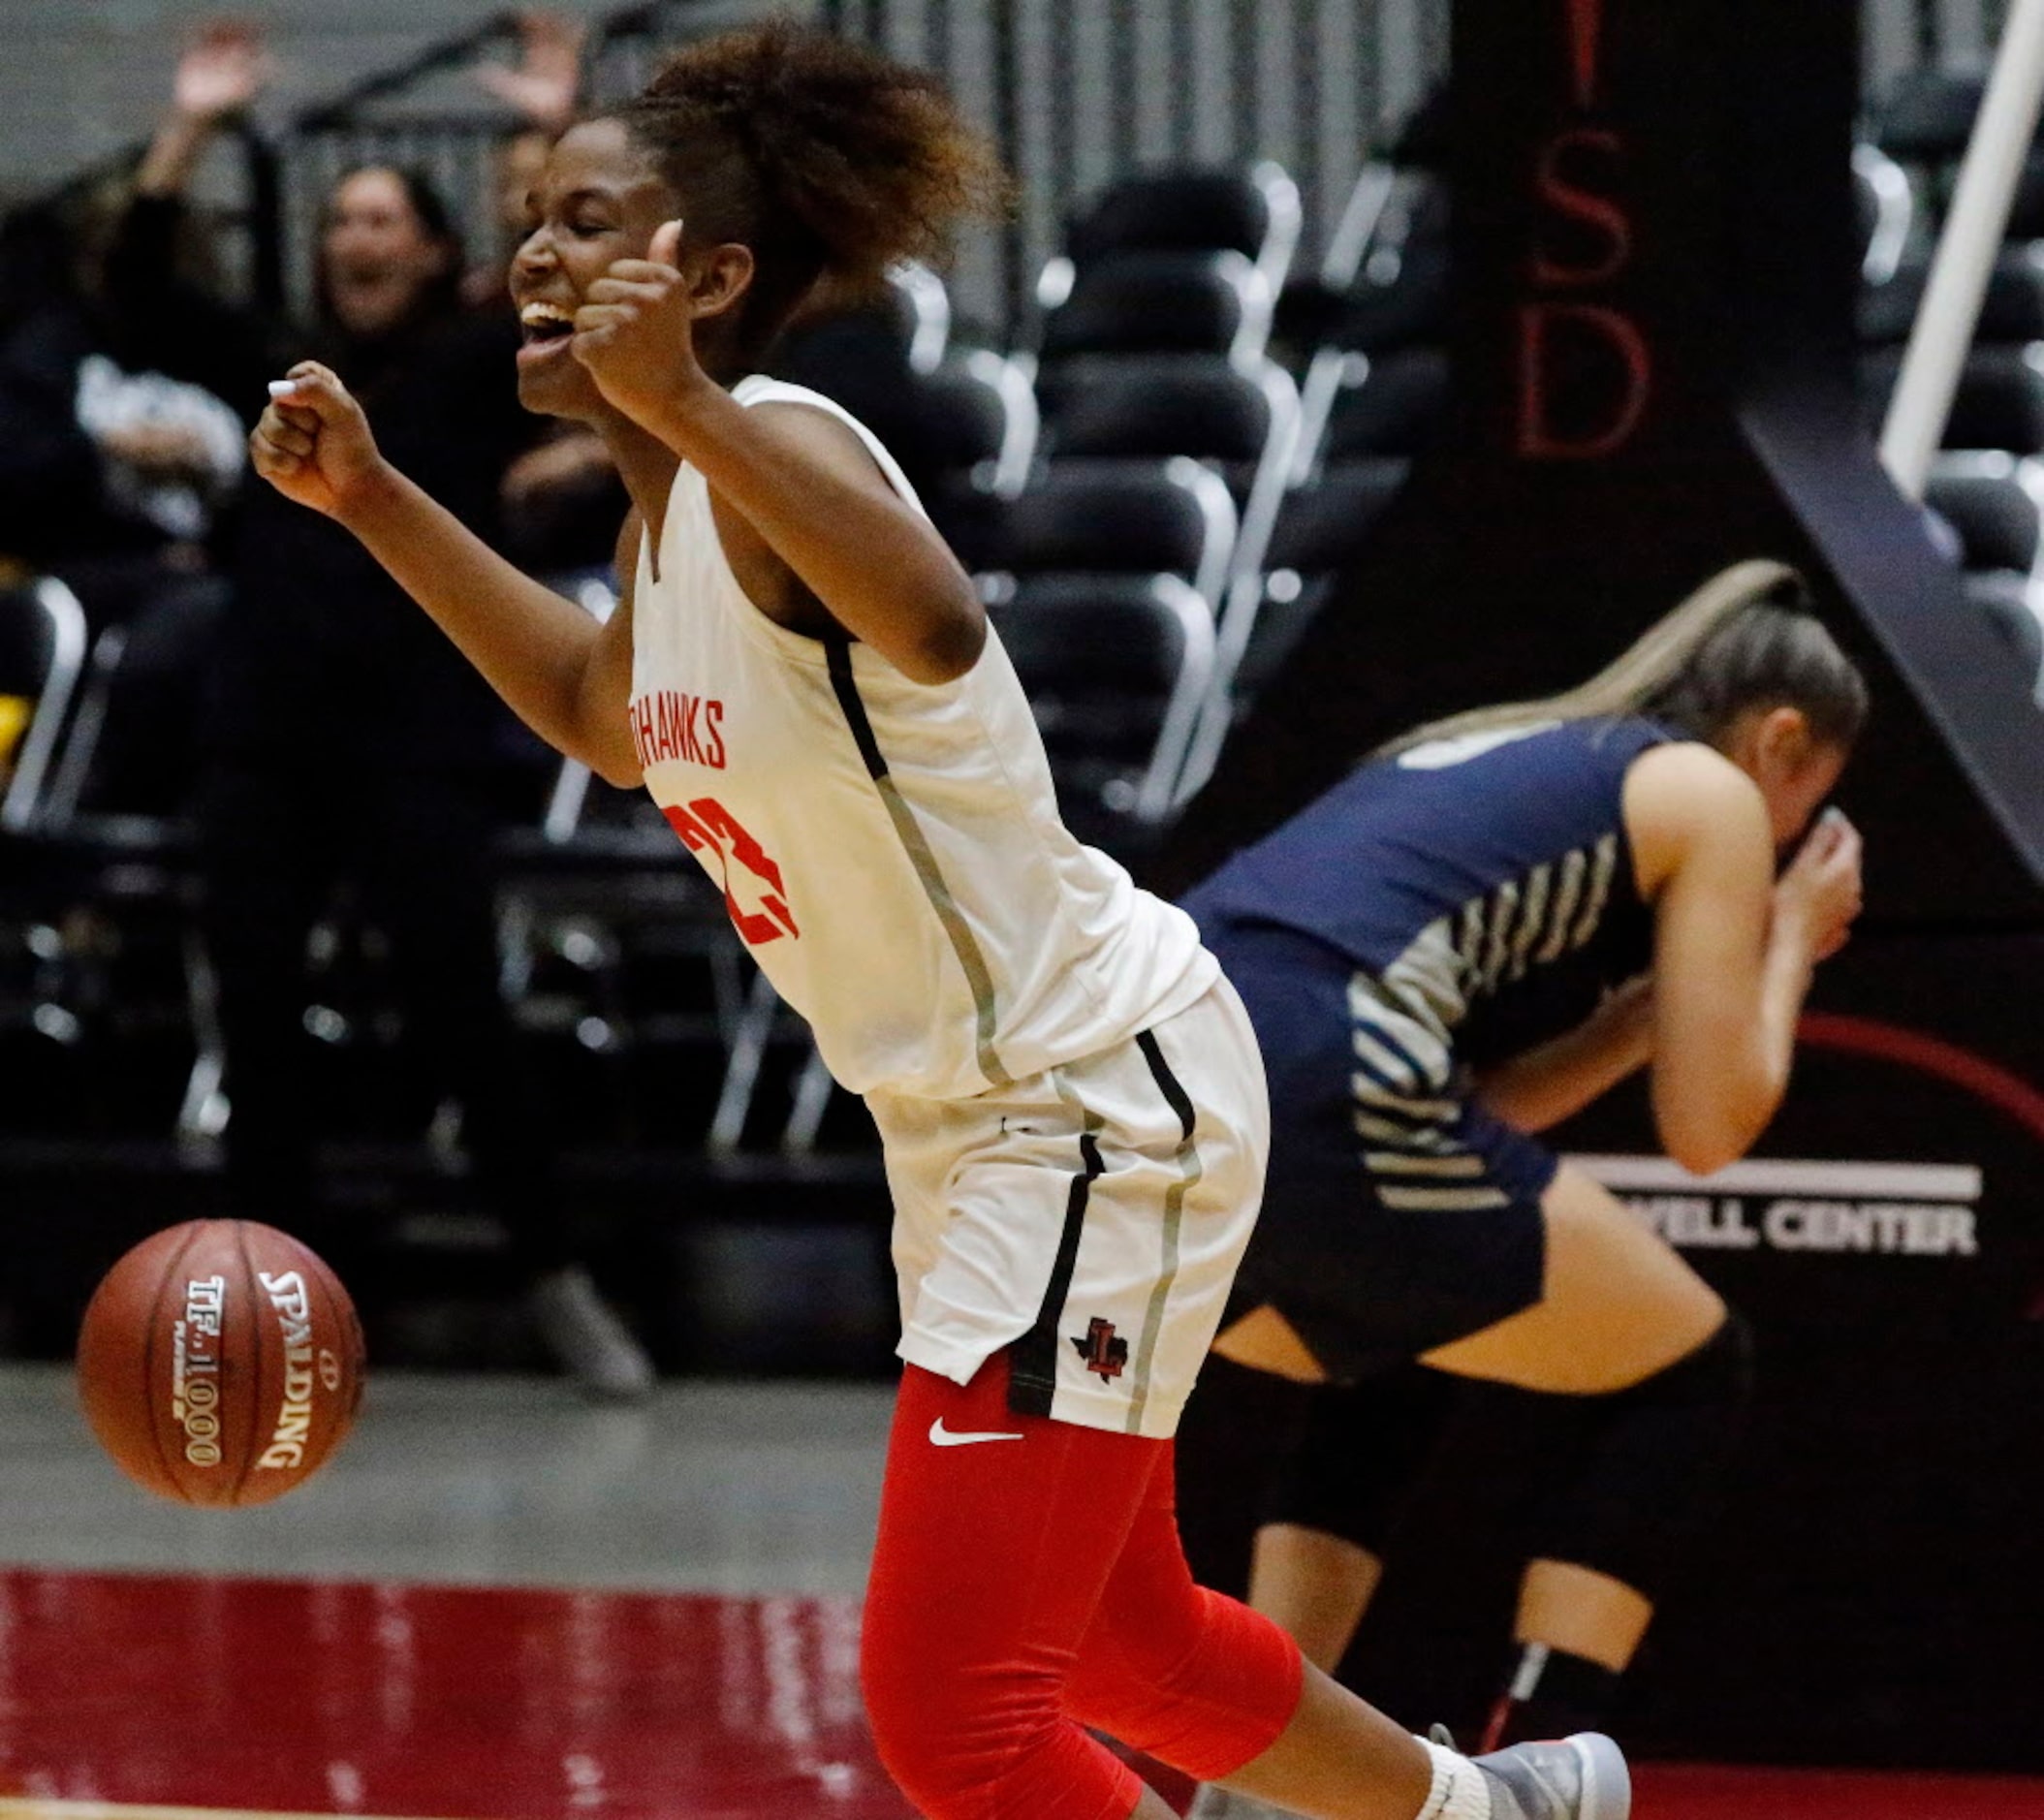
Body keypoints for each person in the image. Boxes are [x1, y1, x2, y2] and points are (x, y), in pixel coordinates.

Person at [246, 21, 1629, 1820]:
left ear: (712, 274)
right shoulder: (673, 520)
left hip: (1078, 1099)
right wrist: (372, 501)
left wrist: (681, 404)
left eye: (585, 221)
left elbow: (938, 626)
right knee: (1123, 1643)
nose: (531, 255)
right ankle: (1494, 1813)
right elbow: (607, 714)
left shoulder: (783, 444)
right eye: (530, 219)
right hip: (992, 1122)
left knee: (952, 1715)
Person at [1173, 562, 1868, 1812]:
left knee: (1397, 1336)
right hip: (1323, 1067)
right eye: (1807, 807)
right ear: (1780, 742)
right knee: (1690, 1362)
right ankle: (1546, 1765)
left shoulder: (1503, 745)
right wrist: (1784, 947)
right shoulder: (1704, 787)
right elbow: (1711, 1131)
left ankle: (1256, 1778)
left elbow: (1474, 1107)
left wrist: (1640, 1019)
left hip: (1166, 1087)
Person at [127, 23, 653, 1399]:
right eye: (341, 219)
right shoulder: (278, 362)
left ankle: (552, 1274)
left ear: (427, 250)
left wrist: (554, 128)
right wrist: (187, 127)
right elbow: (133, 281)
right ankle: (270, 1306)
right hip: (262, 735)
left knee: (457, 1006)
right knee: (252, 1012)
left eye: (383, 218)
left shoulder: (475, 365)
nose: (356, 237)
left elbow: (570, 292)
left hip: (416, 733)